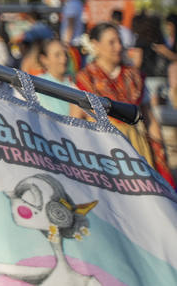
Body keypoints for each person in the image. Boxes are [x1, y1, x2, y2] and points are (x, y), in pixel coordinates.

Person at [71, 22, 173, 186]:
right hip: (103, 151)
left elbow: (149, 118)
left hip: (136, 148)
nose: (118, 47)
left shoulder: (134, 76)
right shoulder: (85, 79)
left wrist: (159, 152)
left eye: (119, 41)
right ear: (96, 45)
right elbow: (76, 122)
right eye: (111, 42)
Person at [33, 37, 75, 116]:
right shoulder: (36, 84)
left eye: (65, 54)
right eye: (57, 55)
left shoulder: (74, 83)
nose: (64, 59)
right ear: (44, 59)